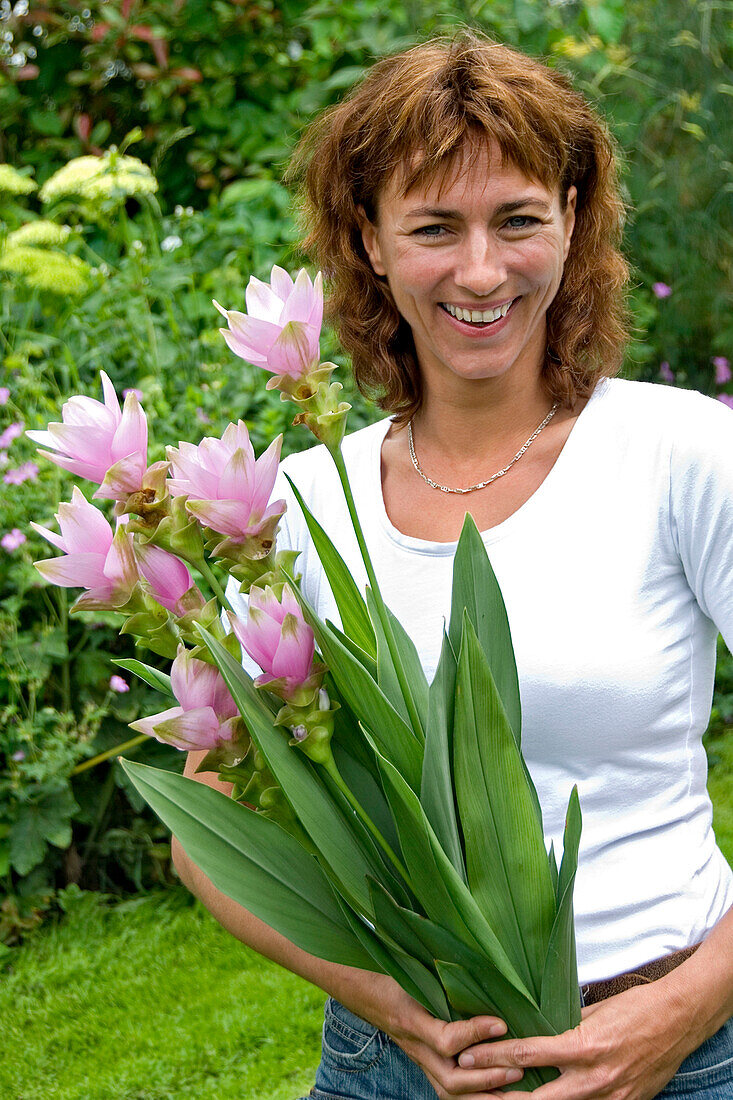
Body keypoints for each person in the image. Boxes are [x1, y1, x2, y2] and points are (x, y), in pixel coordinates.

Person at [172, 32, 733, 1099]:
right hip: (397, 1066)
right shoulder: (297, 505)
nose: (481, 270)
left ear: (572, 220)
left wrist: (683, 1007)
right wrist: (388, 1005)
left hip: (678, 1052)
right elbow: (206, 833)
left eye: (517, 218)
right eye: (434, 226)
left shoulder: (679, 452)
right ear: (370, 243)